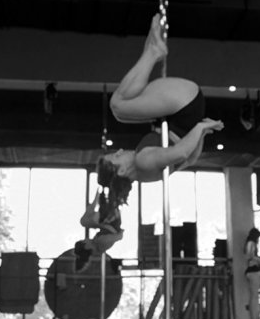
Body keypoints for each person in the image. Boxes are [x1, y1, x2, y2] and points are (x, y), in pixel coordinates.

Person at [96, 13, 224, 202]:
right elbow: (181, 153)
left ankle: (152, 49)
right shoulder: (142, 162)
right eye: (116, 156)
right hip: (183, 105)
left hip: (187, 109)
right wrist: (200, 128)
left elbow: (188, 161)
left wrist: (201, 134)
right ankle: (153, 51)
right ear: (121, 170)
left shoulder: (146, 176)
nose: (120, 150)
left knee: (121, 112)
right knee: (118, 105)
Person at [74, 191, 124, 272]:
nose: (85, 239)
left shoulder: (96, 243)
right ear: (87, 246)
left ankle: (97, 199)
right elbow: (119, 236)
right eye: (84, 241)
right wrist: (111, 222)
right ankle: (101, 199)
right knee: (85, 221)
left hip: (107, 223)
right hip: (112, 222)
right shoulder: (101, 242)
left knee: (84, 221)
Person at [244, 226, 260, 319]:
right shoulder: (251, 243)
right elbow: (250, 256)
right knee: (254, 296)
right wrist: (259, 259)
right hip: (253, 270)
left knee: (254, 296)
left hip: (251, 270)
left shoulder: (249, 243)